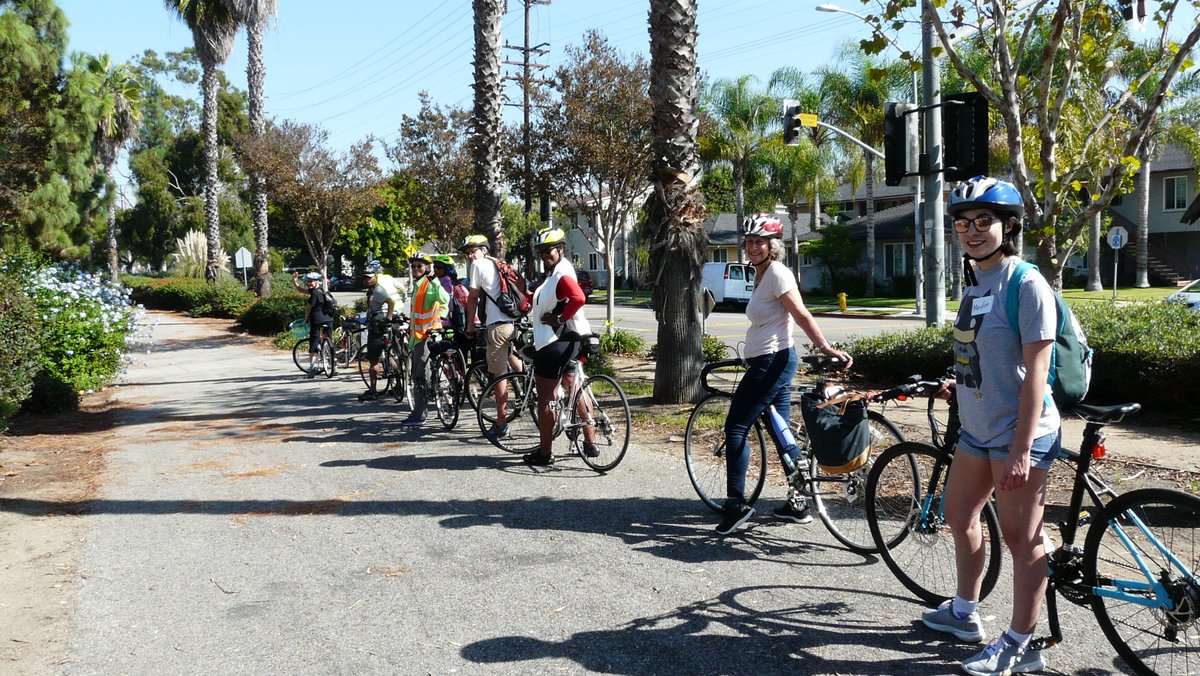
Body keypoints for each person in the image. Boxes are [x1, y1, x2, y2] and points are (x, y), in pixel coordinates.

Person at [920, 176, 1061, 676]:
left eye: (984, 221)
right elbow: (978, 353)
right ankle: (963, 612)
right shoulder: (975, 283)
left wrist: (1022, 451)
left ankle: (1025, 643)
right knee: (959, 517)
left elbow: (1035, 377)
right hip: (978, 430)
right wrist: (956, 382)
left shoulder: (1027, 284)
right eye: (963, 223)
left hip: (1021, 433)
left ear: (1009, 226)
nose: (972, 230)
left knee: (1023, 540)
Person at [716, 214, 852, 536]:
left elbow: (801, 314)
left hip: (772, 363)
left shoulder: (777, 274)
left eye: (759, 242)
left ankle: (735, 506)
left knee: (735, 427)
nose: (752, 247)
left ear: (772, 246)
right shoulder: (761, 275)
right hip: (769, 360)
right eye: (749, 242)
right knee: (781, 432)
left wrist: (826, 347)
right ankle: (797, 502)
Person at [525, 228, 598, 466]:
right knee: (574, 385)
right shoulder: (557, 272)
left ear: (561, 249)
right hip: (572, 340)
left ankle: (544, 453)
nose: (544, 254)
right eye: (541, 251)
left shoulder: (560, 275)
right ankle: (590, 442)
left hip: (553, 341)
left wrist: (558, 319)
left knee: (546, 397)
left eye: (549, 250)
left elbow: (578, 298)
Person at [461, 234, 526, 441]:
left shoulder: (478, 266)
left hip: (497, 326)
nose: (471, 256)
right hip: (516, 323)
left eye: (474, 250)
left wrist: (470, 326)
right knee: (512, 355)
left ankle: (501, 422)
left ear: (484, 249)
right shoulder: (500, 263)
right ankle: (527, 388)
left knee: (498, 376)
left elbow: (472, 299)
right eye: (468, 253)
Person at [401, 254, 450, 427]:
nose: (415, 269)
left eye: (419, 266)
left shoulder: (429, 284)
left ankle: (419, 415)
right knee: (433, 373)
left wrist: (435, 283)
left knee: (419, 376)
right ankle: (447, 401)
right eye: (413, 266)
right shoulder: (418, 285)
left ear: (427, 267)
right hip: (418, 335)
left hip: (426, 336)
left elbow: (444, 300)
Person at [357, 260, 402, 402]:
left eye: (369, 277)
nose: (367, 280)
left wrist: (388, 319)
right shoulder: (372, 291)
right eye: (364, 277)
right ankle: (399, 385)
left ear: (376, 276)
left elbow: (391, 302)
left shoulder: (378, 290)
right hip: (379, 325)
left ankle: (373, 390)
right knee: (390, 356)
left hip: (378, 328)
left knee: (373, 360)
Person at [292, 271, 334, 378]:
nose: (309, 283)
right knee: (329, 342)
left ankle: (312, 368)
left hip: (317, 320)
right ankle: (333, 365)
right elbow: (303, 290)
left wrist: (306, 318)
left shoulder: (314, 294)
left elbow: (308, 308)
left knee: (314, 343)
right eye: (308, 282)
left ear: (317, 282)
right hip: (329, 319)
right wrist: (295, 283)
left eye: (311, 281)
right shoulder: (322, 292)